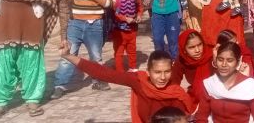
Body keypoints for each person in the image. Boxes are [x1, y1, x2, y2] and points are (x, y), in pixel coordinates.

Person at [63, 48, 196, 123]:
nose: (162, 77)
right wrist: (69, 56)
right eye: (157, 72)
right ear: (148, 71)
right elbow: (104, 73)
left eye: (167, 72)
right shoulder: (138, 81)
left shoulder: (177, 94)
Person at [51, 0, 114, 99]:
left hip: (95, 25)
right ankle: (59, 85)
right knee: (68, 54)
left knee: (96, 55)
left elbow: (112, 3)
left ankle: (98, 80)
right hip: (76, 24)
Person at [195, 42, 254, 122]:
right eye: (220, 59)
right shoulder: (211, 84)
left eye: (230, 60)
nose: (224, 64)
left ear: (238, 62)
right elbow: (201, 117)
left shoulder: (250, 87)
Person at [111, 0, 143, 72]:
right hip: (119, 30)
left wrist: (139, 15)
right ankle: (119, 71)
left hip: (132, 28)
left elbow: (140, 6)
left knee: (132, 49)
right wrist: (125, 18)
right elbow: (113, 13)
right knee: (119, 51)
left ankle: (133, 67)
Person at [171, 29, 213, 98]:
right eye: (191, 47)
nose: (197, 50)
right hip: (195, 94)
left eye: (199, 44)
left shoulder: (212, 56)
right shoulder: (182, 60)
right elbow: (174, 82)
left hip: (216, 96)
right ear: (184, 50)